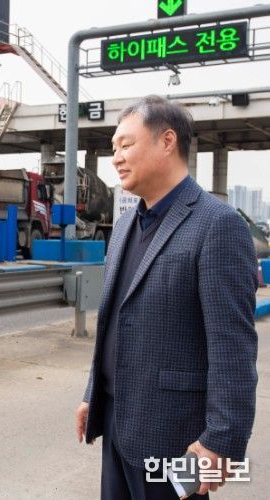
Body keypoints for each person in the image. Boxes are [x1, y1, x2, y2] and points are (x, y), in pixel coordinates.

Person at [75, 95, 258, 499]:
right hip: (118, 425)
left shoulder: (217, 225)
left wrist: (220, 441)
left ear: (167, 141)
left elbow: (232, 348)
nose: (116, 158)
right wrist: (94, 394)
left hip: (176, 437)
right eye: (113, 148)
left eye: (126, 144)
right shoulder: (125, 226)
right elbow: (115, 320)